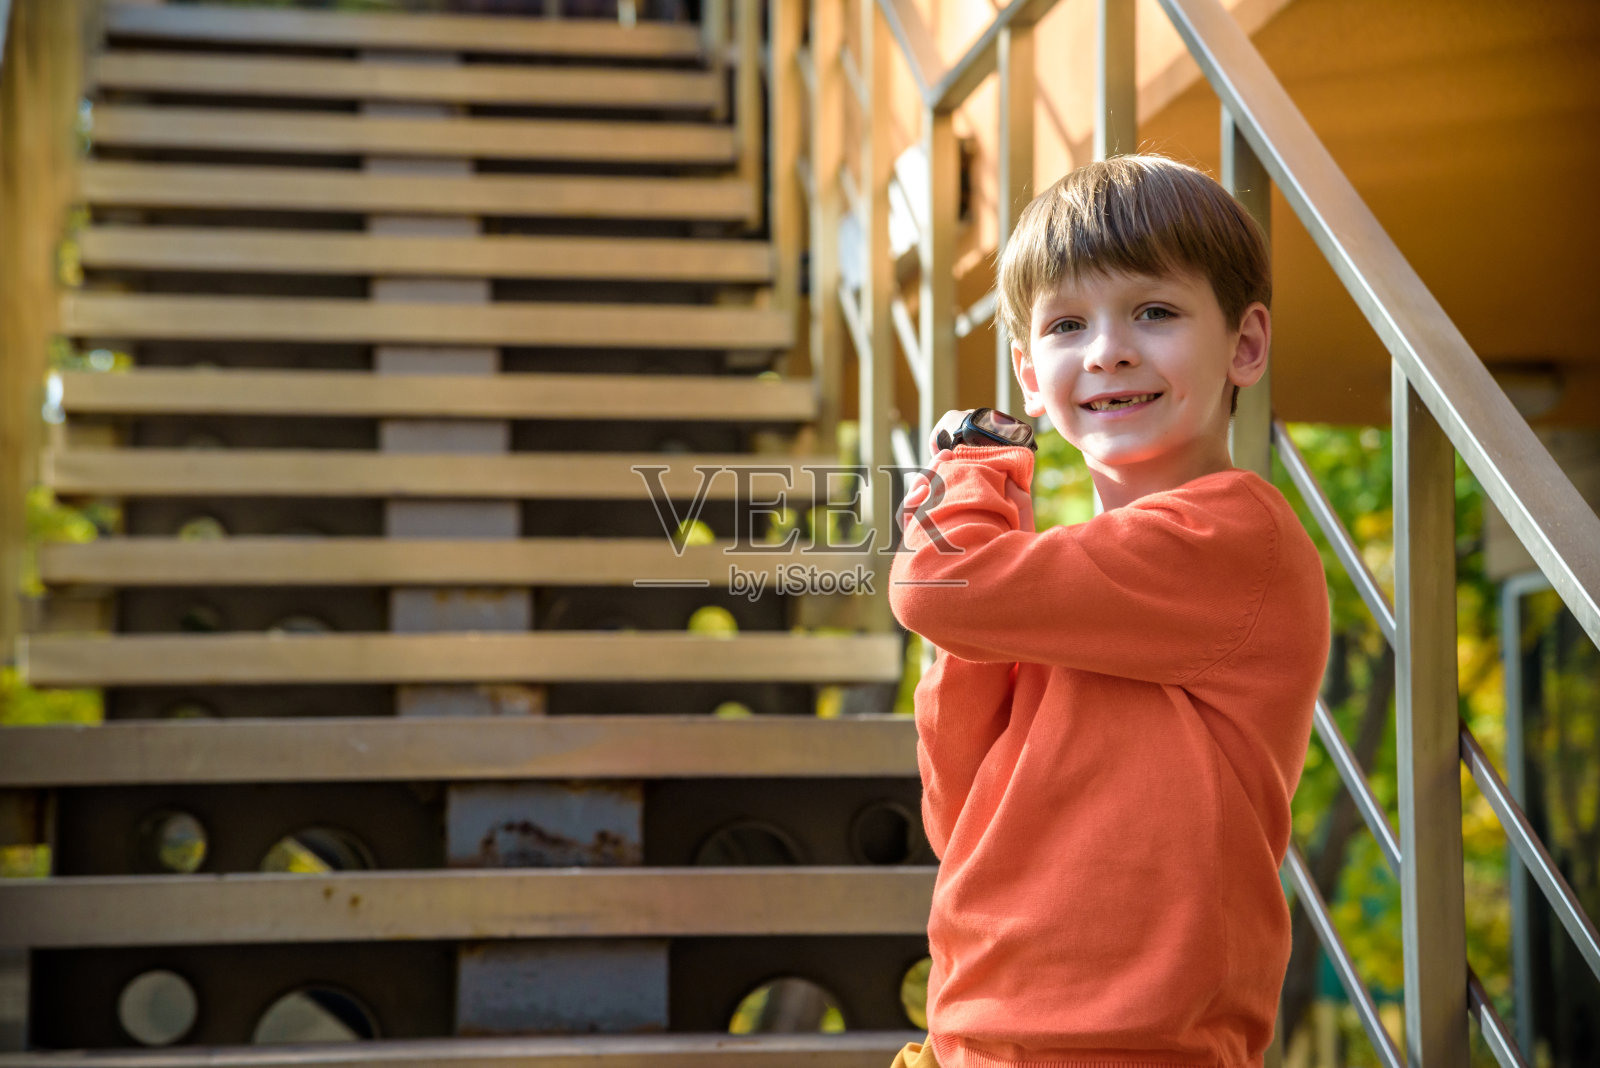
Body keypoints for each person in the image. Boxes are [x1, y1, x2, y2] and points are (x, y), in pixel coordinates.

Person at [886, 153, 1331, 1068]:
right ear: (1028, 371)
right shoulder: (1060, 587)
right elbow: (962, 813)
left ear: (1245, 344)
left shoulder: (1233, 532)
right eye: (1066, 324)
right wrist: (984, 615)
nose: (1107, 351)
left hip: (1137, 1048)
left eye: (1154, 312)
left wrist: (972, 464)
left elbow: (933, 582)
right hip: (975, 1039)